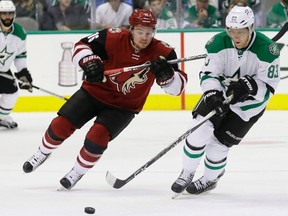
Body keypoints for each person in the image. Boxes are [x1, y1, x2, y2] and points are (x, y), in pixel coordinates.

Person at [22, 9, 188, 190]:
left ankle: (76, 172)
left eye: (149, 33)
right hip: (93, 93)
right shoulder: (112, 36)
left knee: (97, 139)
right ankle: (42, 152)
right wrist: (89, 61)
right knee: (60, 126)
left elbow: (177, 89)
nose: (144, 37)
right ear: (131, 29)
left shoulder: (163, 51)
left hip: (123, 107)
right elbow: (81, 46)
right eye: (140, 32)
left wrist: (167, 76)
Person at [171, 5, 280, 196]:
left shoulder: (267, 50)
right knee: (197, 130)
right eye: (232, 31)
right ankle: (186, 172)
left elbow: (269, 88)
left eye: (240, 32)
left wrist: (252, 86)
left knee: (218, 146)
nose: (235, 37)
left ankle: (210, 179)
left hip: (248, 106)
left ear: (251, 28)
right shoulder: (218, 42)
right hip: (221, 94)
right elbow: (209, 73)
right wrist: (213, 93)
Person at [0, 0, 33, 129]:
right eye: (3, 14)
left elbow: (20, 56)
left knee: (12, 93)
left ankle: (1, 117)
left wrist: (23, 73)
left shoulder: (20, 33)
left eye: (10, 13)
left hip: (3, 70)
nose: (7, 17)